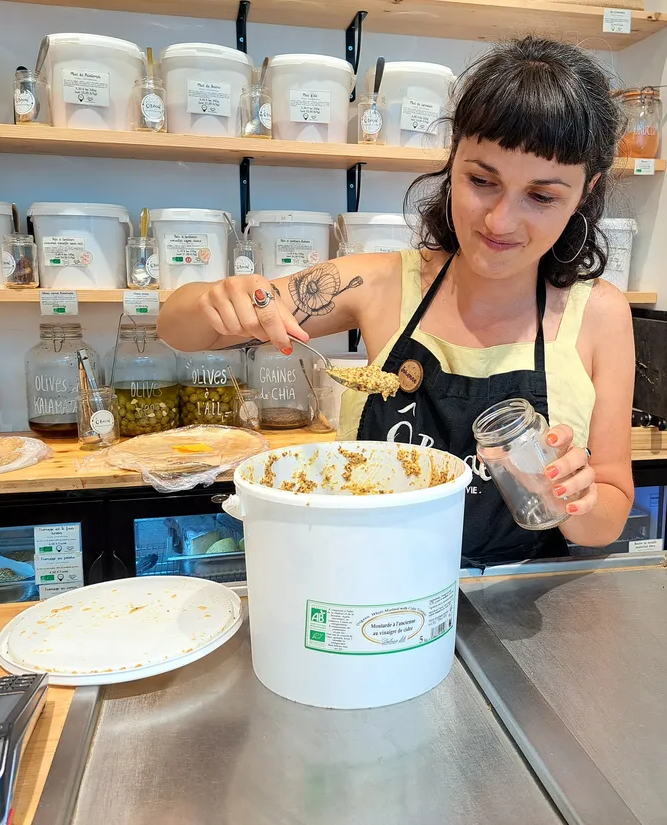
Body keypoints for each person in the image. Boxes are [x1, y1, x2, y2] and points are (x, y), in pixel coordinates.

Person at [160, 37, 635, 567]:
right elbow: (177, 330)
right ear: (452, 162)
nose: (500, 221)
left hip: (513, 598)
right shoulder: (378, 284)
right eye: (481, 180)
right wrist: (215, 299)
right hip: (367, 583)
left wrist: (574, 496)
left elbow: (608, 516)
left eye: (542, 197)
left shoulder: (599, 315)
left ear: (585, 192)